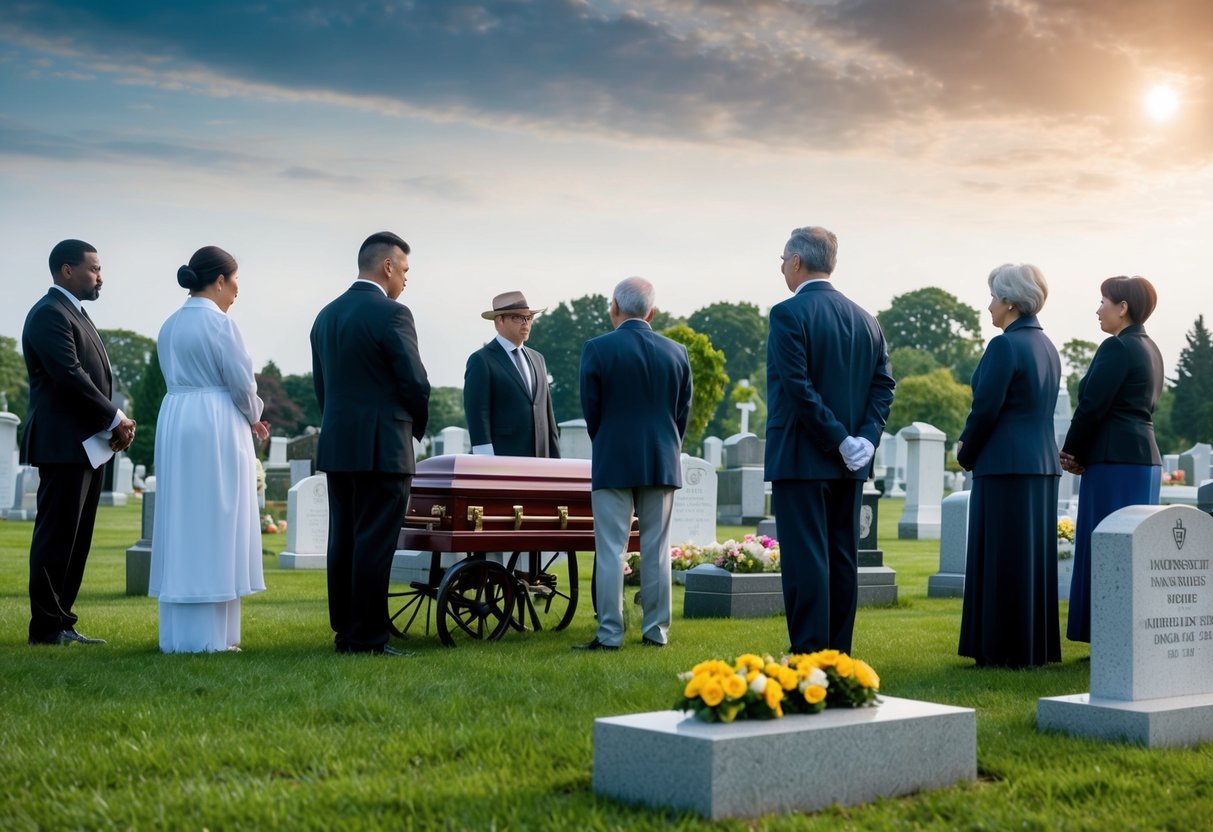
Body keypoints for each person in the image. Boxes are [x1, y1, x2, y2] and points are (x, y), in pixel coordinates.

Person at [765, 226, 895, 655]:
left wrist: (842, 439)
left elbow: (797, 387)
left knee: (805, 560)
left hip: (802, 456)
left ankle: (808, 653)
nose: (782, 268)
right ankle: (839, 654)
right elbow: (883, 386)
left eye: (782, 260)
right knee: (842, 557)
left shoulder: (787, 314)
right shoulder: (867, 319)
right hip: (850, 461)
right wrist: (865, 439)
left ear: (797, 261)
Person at [311, 231, 430, 656]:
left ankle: (346, 629)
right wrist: (414, 427)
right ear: (388, 266)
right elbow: (414, 381)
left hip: (339, 444)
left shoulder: (325, 316)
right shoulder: (393, 314)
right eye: (405, 269)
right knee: (376, 543)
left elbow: (323, 388)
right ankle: (368, 637)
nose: (406, 279)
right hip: (384, 446)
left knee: (343, 539)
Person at [148, 246, 270, 653]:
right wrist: (255, 415)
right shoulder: (222, 324)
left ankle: (181, 635)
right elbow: (242, 383)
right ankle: (212, 636)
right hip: (216, 421)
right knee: (218, 518)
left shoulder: (169, 325)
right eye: (235, 281)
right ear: (220, 280)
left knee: (184, 519)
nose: (237, 290)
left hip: (177, 418)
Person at [22, 239, 135, 646]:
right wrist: (116, 418)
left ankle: (62, 623)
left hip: (87, 445)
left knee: (76, 540)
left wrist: (110, 427)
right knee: (56, 538)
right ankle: (46, 628)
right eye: (94, 268)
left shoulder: (75, 313)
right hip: (62, 444)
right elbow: (69, 375)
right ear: (67, 270)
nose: (100, 276)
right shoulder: (49, 314)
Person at [575, 277, 692, 650]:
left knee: (612, 548)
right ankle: (655, 630)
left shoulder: (597, 349)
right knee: (657, 549)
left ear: (614, 306)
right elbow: (682, 413)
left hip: (614, 457)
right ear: (652, 312)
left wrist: (608, 440)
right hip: (661, 459)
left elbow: (591, 410)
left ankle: (610, 632)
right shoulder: (677, 353)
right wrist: (667, 445)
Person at [956, 263, 1062, 667]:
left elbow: (986, 408)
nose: (989, 306)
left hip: (1004, 464)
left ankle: (1000, 648)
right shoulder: (1047, 346)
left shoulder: (1005, 346)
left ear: (1011, 303)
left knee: (1001, 558)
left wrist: (965, 450)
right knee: (1030, 560)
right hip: (1041, 463)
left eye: (993, 298)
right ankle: (1031, 647)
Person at [1060, 276, 1163, 643]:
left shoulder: (1117, 347)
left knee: (1107, 547)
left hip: (1114, 460)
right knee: (1136, 550)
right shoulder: (1152, 349)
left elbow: (1092, 405)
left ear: (1123, 307)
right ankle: (1128, 635)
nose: (1098, 309)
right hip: (1144, 459)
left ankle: (1106, 633)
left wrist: (1071, 451)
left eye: (1103, 301)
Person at [464, 291, 559, 458]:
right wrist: (484, 458)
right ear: (499, 321)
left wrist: (555, 456)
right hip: (503, 456)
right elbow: (477, 413)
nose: (526, 323)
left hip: (541, 456)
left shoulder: (538, 358)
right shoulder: (481, 360)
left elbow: (547, 413)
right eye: (518, 317)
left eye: (529, 317)